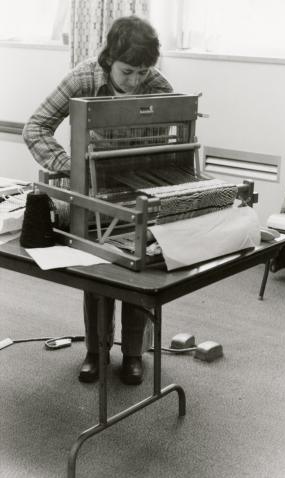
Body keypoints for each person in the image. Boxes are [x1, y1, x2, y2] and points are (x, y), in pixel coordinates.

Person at [22, 15, 173, 385]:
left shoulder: (159, 86)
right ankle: (96, 350)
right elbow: (35, 127)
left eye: (142, 72)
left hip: (137, 193)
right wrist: (72, 168)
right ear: (109, 59)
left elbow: (169, 142)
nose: (136, 81)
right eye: (127, 72)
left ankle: (134, 354)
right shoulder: (83, 78)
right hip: (91, 194)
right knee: (98, 272)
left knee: (137, 273)